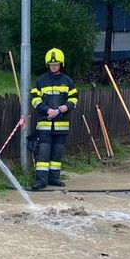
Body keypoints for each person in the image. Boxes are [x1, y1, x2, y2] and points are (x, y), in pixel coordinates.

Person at [30, 48, 79, 190]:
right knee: (43, 154)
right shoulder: (41, 81)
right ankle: (40, 181)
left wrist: (67, 106)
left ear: (61, 64)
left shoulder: (67, 81)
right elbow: (34, 99)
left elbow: (74, 99)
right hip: (44, 125)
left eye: (56, 64)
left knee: (57, 153)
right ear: (47, 65)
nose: (54, 66)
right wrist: (46, 109)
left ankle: (54, 178)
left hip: (61, 126)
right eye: (51, 65)